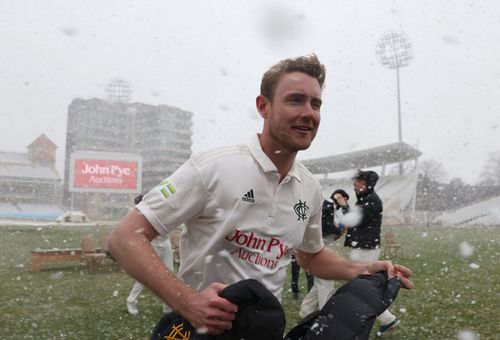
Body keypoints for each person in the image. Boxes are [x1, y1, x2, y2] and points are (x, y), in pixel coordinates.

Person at [108, 54, 413, 336]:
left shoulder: (309, 188)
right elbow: (125, 237)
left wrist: (361, 269)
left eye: (315, 104)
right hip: (197, 332)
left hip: (262, 330)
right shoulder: (212, 167)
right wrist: (188, 302)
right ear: (263, 106)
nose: (308, 113)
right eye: (295, 100)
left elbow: (311, 256)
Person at [338, 169, 401, 337]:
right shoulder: (366, 200)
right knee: (360, 286)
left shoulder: (371, 200)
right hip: (364, 247)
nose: (354, 184)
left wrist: (344, 206)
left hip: (365, 249)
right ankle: (384, 318)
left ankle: (388, 319)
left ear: (365, 183)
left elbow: (354, 219)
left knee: (361, 287)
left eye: (357, 181)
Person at [298, 189, 351, 318]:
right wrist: (338, 230)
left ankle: (306, 309)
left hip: (320, 248)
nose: (345, 203)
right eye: (345, 200)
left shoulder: (332, 207)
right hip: (317, 249)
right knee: (326, 282)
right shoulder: (327, 204)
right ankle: (325, 315)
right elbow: (323, 227)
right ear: (340, 197)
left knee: (320, 283)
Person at [125, 195, 175, 315]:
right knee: (146, 275)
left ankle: (167, 306)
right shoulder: (139, 215)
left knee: (170, 274)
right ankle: (131, 300)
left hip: (165, 246)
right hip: (153, 246)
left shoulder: (161, 209)